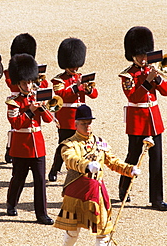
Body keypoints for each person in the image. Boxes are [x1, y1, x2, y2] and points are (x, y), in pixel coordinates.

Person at [54, 104, 141, 245]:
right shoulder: (69, 144)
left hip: (97, 191)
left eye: (89, 123)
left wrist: (128, 169)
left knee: (103, 230)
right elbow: (71, 160)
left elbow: (112, 161)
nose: (87, 126)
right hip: (77, 190)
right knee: (72, 231)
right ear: (76, 124)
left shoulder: (99, 142)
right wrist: (86, 165)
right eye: (83, 123)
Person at [118, 26, 167, 210]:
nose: (143, 58)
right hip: (138, 121)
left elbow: (166, 91)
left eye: (145, 54)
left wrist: (158, 79)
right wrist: (147, 81)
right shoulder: (127, 75)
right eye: (139, 54)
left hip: (154, 120)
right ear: (132, 55)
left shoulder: (152, 70)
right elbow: (133, 97)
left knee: (157, 160)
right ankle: (124, 188)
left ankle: (156, 199)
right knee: (133, 156)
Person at [5, 53, 54, 225]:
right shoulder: (13, 102)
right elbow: (16, 123)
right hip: (21, 145)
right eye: (24, 82)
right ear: (18, 83)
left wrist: (42, 108)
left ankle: (41, 214)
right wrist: (30, 110)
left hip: (37, 145)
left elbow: (49, 119)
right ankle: (11, 203)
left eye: (30, 82)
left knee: (40, 181)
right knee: (19, 177)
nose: (28, 85)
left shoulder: (36, 97)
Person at [48, 38, 98, 182]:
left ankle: (79, 169)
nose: (75, 69)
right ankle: (55, 169)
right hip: (66, 118)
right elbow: (61, 95)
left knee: (81, 146)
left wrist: (88, 89)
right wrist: (76, 87)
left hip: (81, 116)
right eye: (72, 66)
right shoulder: (59, 80)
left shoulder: (81, 77)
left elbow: (94, 95)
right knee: (63, 146)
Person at [3, 33, 48, 163]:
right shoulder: (12, 70)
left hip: (31, 96)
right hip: (17, 98)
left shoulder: (33, 70)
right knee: (15, 126)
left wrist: (37, 82)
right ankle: (10, 147)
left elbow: (44, 85)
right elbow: (11, 83)